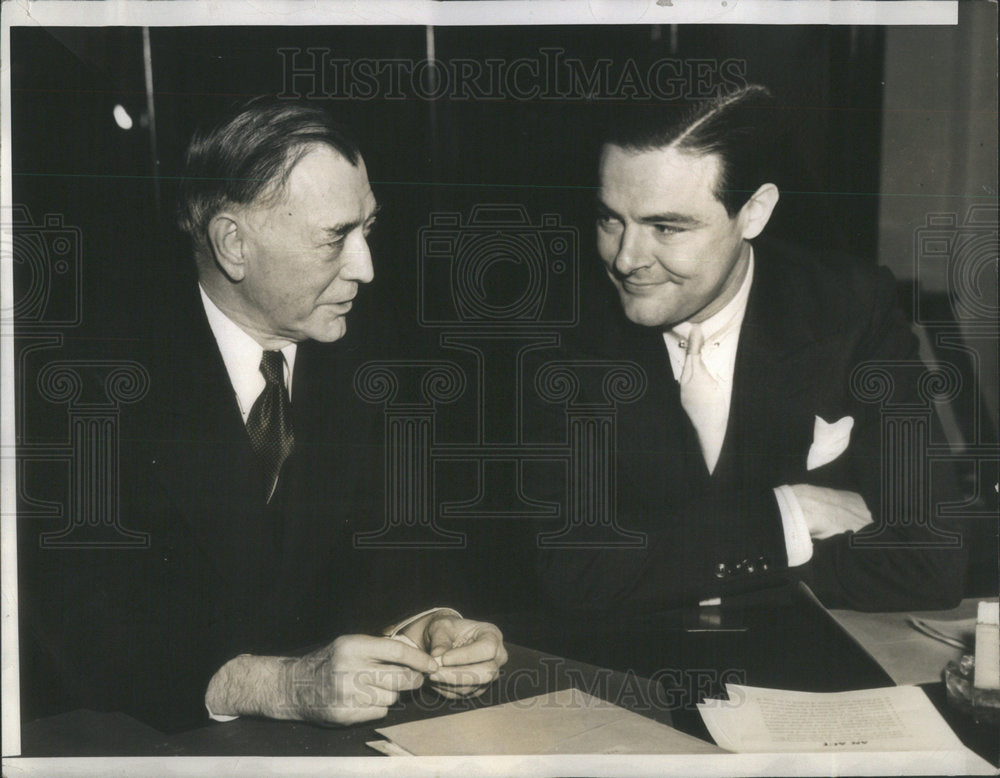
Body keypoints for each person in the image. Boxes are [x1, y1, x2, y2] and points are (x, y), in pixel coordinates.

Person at [20, 98, 506, 733]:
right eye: (336, 238)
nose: (366, 268)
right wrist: (274, 683)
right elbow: (78, 626)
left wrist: (428, 624)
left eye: (368, 228)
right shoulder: (82, 378)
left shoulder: (374, 348)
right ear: (233, 246)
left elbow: (390, 550)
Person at [529, 85, 969, 616]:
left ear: (754, 213)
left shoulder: (850, 308)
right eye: (610, 219)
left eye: (666, 227)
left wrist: (670, 563)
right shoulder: (554, 330)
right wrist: (792, 513)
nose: (625, 259)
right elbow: (573, 575)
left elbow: (932, 563)